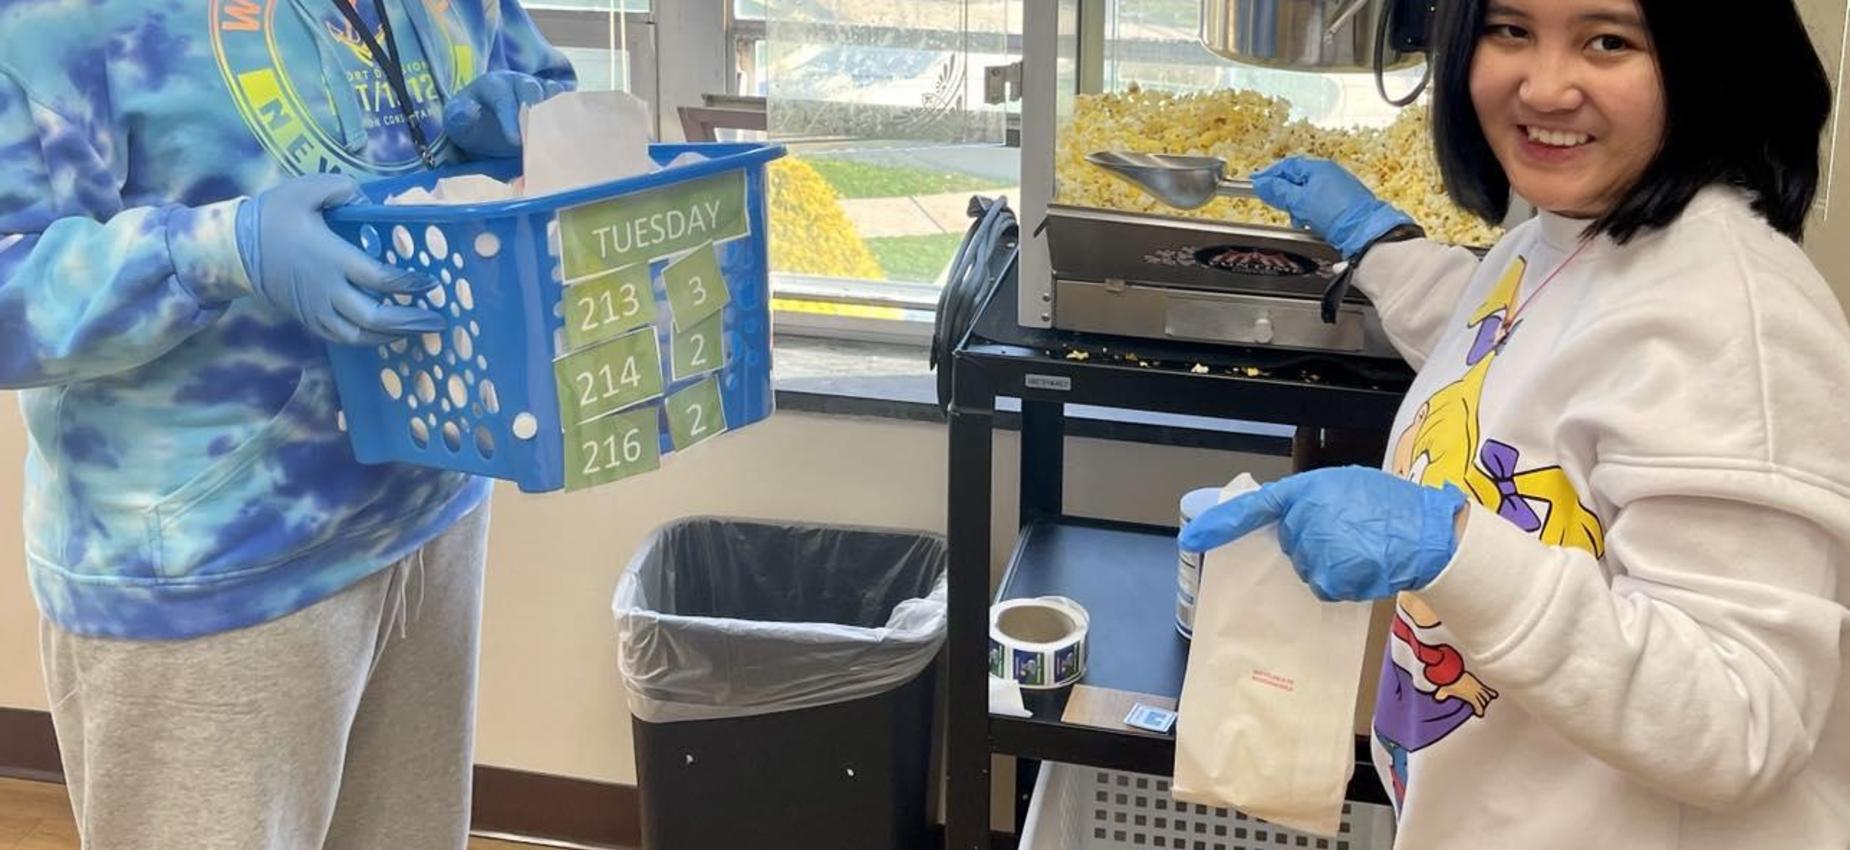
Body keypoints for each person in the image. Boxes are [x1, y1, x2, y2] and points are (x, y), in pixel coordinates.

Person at [1180, 0, 1849, 846]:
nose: (1544, 87)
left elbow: (1740, 723)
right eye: (1511, 31)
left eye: (1609, 41)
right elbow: (1515, 349)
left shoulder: (1738, 324)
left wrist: (1454, 549)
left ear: (1711, 59)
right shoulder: (1567, 234)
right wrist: (1376, 242)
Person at [0, 0, 573, 846]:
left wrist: (536, 126)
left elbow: (541, 82)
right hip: (213, 564)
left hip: (431, 499)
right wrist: (214, 249)